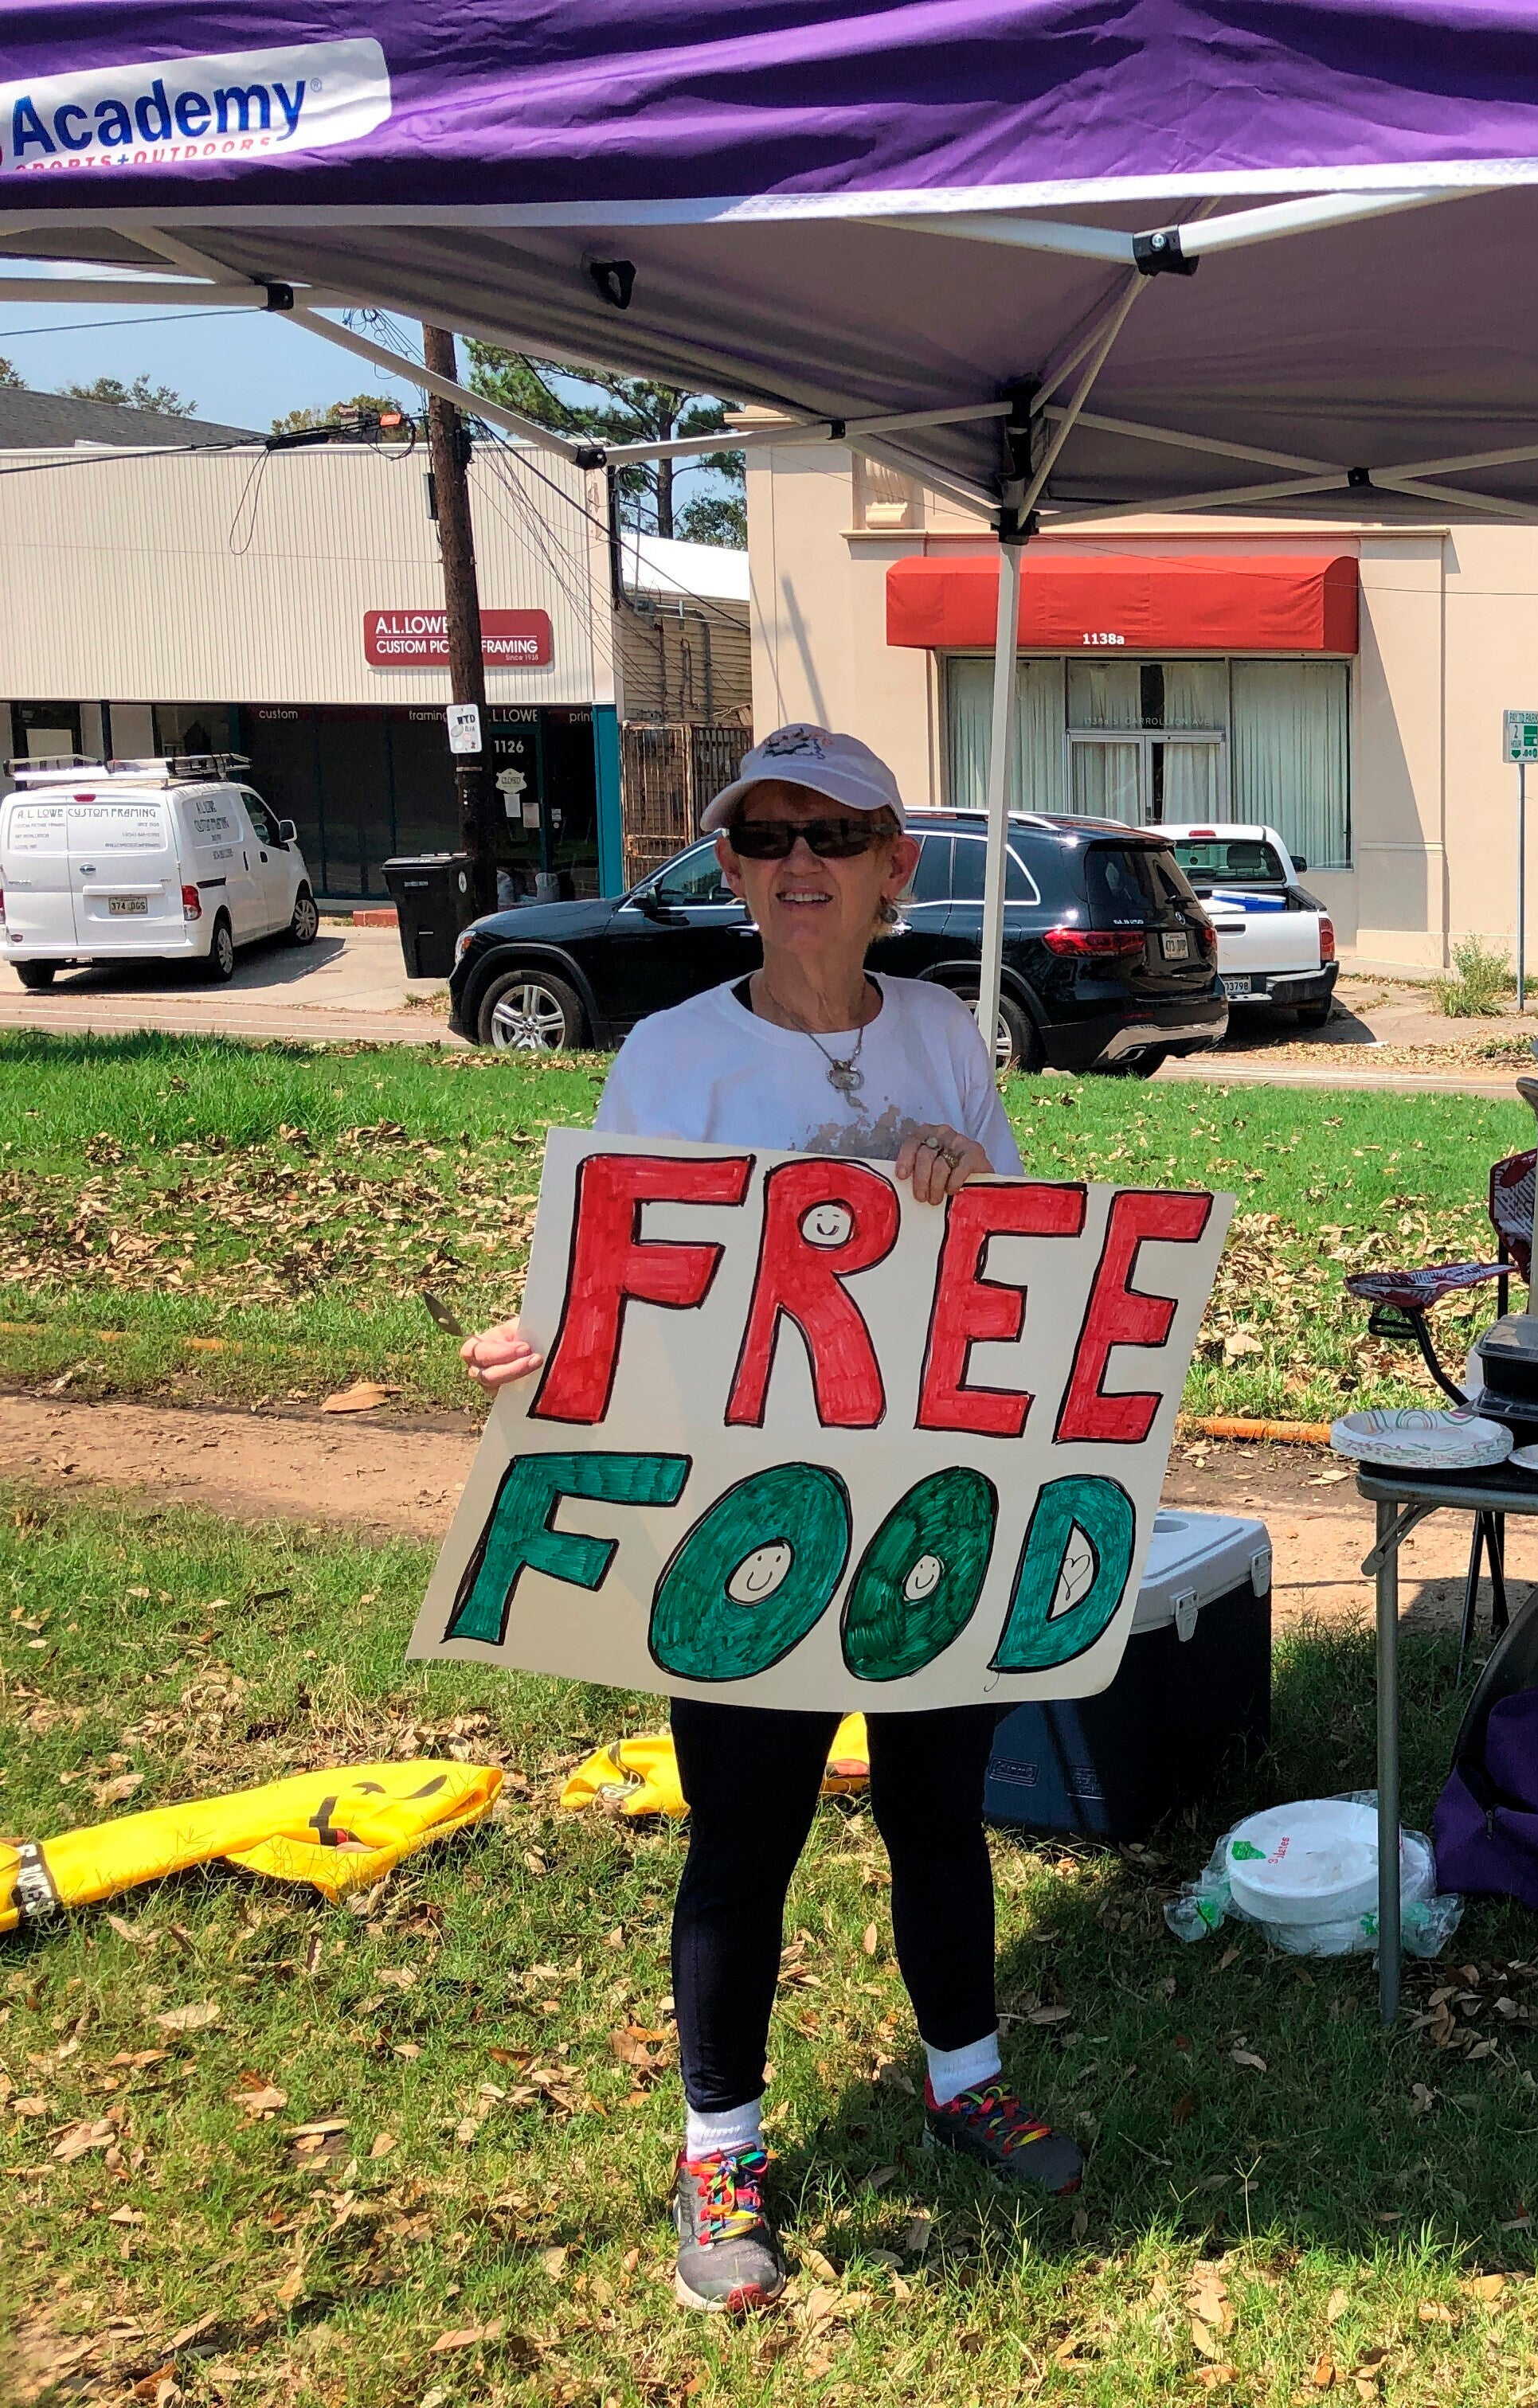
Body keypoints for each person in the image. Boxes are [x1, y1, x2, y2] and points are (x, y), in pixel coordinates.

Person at [460, 722, 1083, 2315]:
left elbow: (1010, 1274)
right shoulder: (676, 1054)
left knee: (943, 1809)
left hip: (926, 1493)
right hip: (748, 1513)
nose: (800, 864)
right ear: (731, 872)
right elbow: (616, 1267)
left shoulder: (947, 1027)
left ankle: (967, 2077)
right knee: (750, 1839)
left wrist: (968, 1176)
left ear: (894, 866)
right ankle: (720, 2147)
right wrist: (550, 1345)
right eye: (767, 838)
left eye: (836, 834)